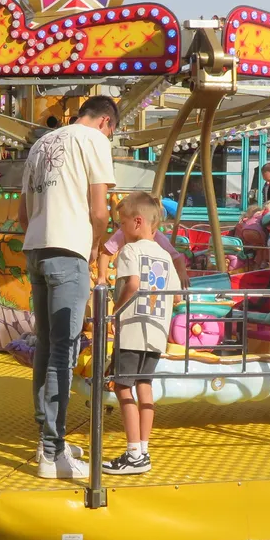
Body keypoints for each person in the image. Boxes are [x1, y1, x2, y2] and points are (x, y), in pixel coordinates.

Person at [19, 94, 118, 479]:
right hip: (69, 250)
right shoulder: (94, 141)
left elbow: (24, 213)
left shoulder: (41, 143)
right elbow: (99, 210)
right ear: (106, 123)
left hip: (36, 249)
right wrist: (95, 248)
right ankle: (52, 452)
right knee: (64, 351)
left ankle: (47, 434)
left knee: (46, 344)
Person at [102, 193, 176, 476]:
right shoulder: (165, 255)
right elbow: (176, 295)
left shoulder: (131, 251)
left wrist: (115, 311)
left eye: (121, 223)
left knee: (122, 387)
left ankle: (134, 452)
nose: (120, 229)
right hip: (157, 330)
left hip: (133, 327)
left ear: (137, 221)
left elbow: (132, 283)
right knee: (144, 386)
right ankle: (143, 448)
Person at [97, 221, 190, 291]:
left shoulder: (157, 236)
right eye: (122, 223)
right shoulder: (123, 232)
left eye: (123, 222)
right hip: (130, 278)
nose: (122, 227)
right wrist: (101, 276)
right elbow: (106, 253)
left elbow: (176, 257)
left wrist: (182, 273)